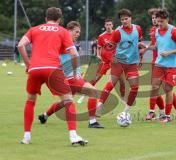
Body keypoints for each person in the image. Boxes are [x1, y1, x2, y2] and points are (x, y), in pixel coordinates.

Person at [18, 7, 87, 145]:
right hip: (52, 69)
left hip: (35, 69)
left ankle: (26, 137)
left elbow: (20, 45)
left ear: (45, 18)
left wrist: (28, 64)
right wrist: (75, 74)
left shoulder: (34, 29)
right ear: (59, 19)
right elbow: (73, 53)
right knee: (68, 101)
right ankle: (73, 136)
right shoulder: (62, 31)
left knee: (30, 100)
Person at [38, 21, 104, 128]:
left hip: (68, 79)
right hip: (70, 78)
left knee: (64, 102)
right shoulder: (64, 43)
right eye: (76, 32)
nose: (78, 34)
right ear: (68, 31)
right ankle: (92, 122)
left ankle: (45, 115)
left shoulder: (68, 43)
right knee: (93, 92)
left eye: (79, 32)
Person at [97, 9, 144, 118]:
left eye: (126, 19)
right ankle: (99, 105)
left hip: (132, 64)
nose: (124, 21)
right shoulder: (117, 32)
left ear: (131, 18)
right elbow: (109, 47)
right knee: (111, 83)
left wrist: (140, 57)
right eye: (122, 19)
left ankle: (125, 112)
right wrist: (109, 58)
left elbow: (139, 43)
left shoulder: (138, 29)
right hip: (118, 62)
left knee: (135, 87)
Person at [145, 8, 176, 122]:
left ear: (167, 19)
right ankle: (153, 111)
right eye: (158, 21)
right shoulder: (156, 31)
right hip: (159, 64)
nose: (159, 24)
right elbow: (157, 46)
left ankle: (167, 116)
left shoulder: (175, 31)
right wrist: (146, 48)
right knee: (154, 87)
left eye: (161, 21)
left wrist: (169, 53)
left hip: (172, 65)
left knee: (168, 89)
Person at [90, 18, 125, 100]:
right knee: (97, 77)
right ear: (105, 26)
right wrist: (98, 55)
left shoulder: (117, 34)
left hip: (116, 61)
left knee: (122, 80)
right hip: (105, 61)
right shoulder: (101, 36)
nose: (108, 26)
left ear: (112, 25)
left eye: (110, 24)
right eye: (107, 25)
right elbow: (99, 47)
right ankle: (88, 89)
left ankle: (123, 95)